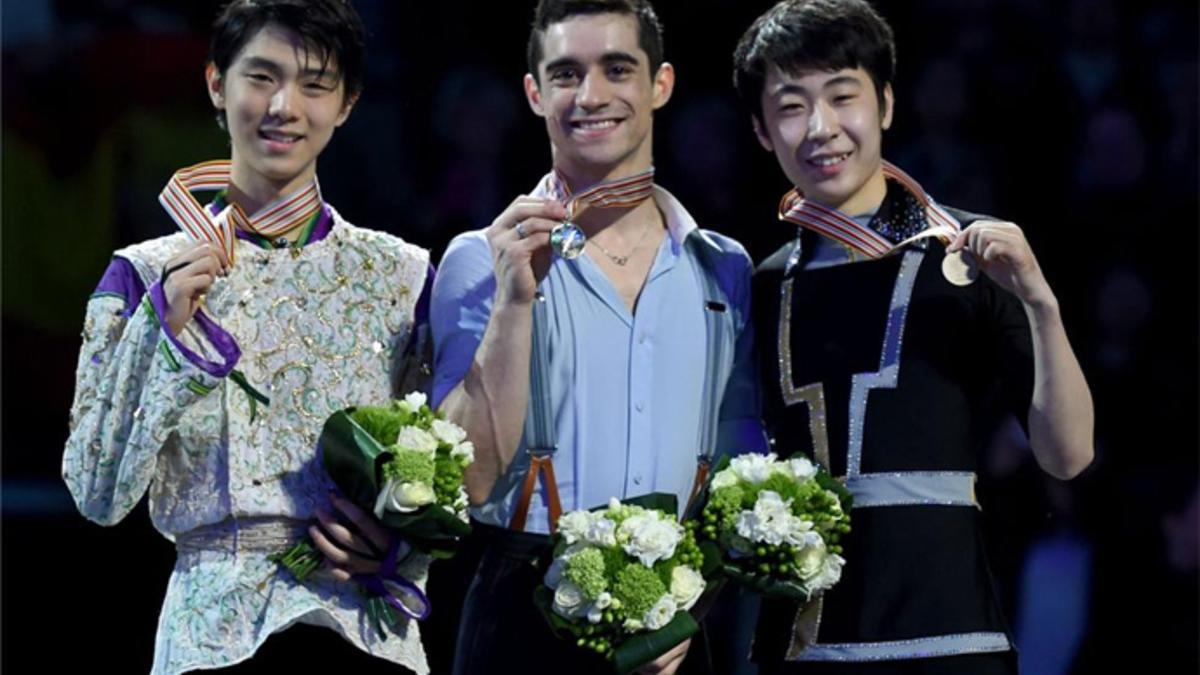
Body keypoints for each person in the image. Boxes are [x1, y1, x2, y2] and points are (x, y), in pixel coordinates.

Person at [61, 2, 433, 673]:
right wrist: (163, 325)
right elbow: (94, 493)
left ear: (348, 103)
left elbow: (448, 471)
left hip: (366, 634)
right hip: (212, 639)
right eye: (260, 77)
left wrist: (403, 545)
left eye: (315, 84)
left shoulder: (404, 275)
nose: (284, 105)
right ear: (215, 84)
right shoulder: (142, 273)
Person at [731, 1, 1095, 673]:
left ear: (888, 104)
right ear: (760, 130)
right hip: (805, 649)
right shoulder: (762, 283)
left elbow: (1067, 456)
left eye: (844, 97)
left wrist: (1040, 301)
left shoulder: (974, 256)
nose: (821, 128)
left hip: (953, 640)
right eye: (790, 107)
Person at [430, 1, 767, 673]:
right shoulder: (480, 259)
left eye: (617, 68)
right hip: (524, 607)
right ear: (535, 93)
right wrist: (514, 303)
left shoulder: (720, 264)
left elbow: (741, 463)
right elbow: (466, 479)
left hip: (678, 611)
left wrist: (690, 602)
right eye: (565, 74)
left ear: (660, 84)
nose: (591, 96)